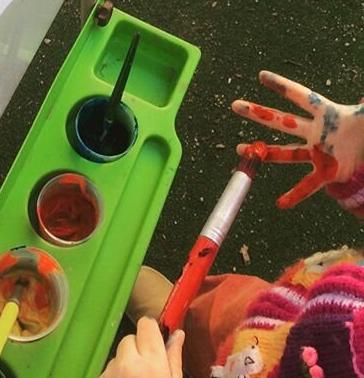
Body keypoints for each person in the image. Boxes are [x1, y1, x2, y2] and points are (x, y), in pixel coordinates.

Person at [101, 71, 364, 378]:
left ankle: (172, 351)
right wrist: (357, 163)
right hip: (281, 315)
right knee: (217, 311)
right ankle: (178, 318)